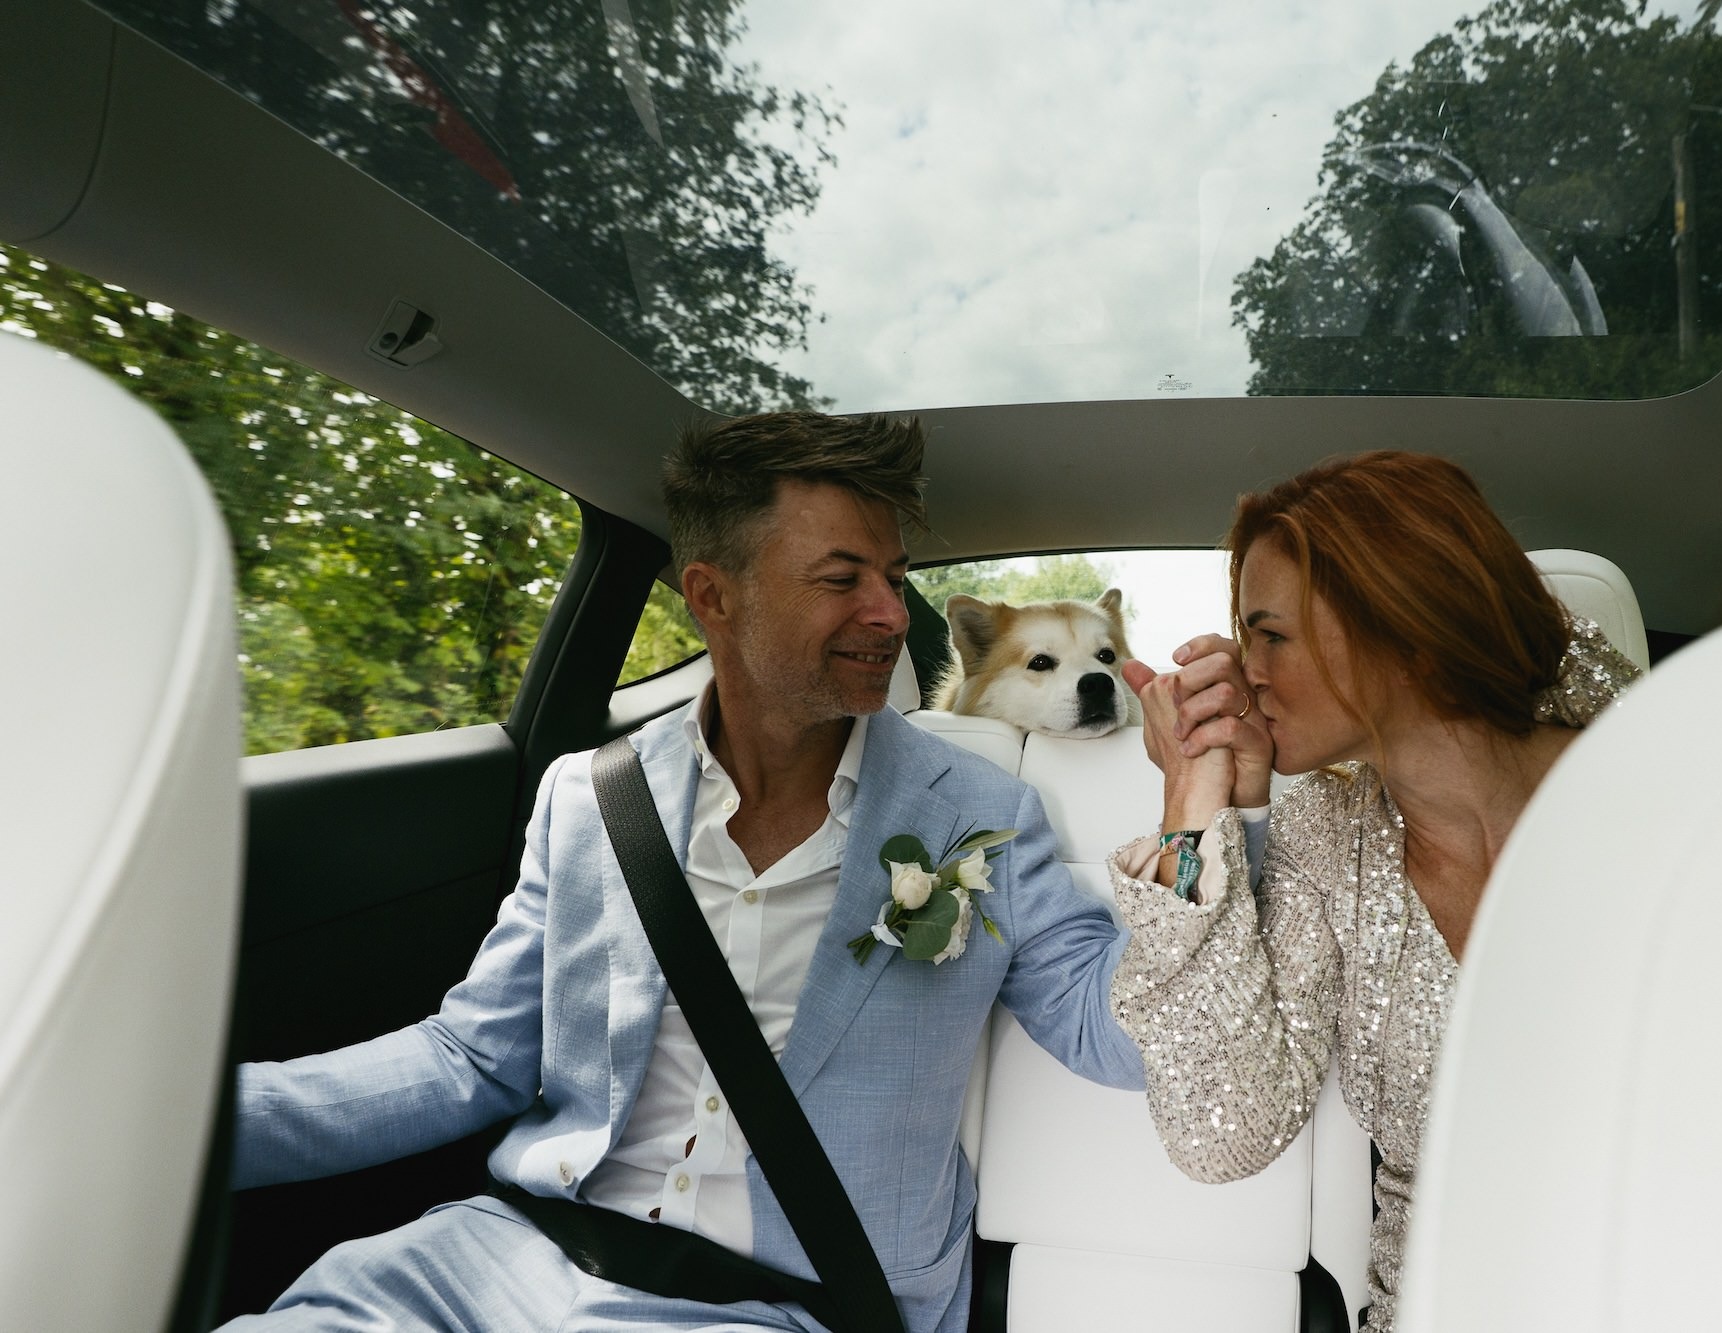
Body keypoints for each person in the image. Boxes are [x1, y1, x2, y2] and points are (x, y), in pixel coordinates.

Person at [226, 411, 1145, 1332]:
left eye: (894, 579)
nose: (893, 614)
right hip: (498, 1258)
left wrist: (1190, 813)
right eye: (843, 579)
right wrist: (186, 1123)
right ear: (713, 595)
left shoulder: (981, 817)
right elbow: (473, 1058)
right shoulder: (589, 797)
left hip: (780, 1301)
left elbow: (1121, 1035)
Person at [1106, 451, 1639, 1331]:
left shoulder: (1652, 765)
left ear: (1403, 622)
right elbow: (1222, 1131)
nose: (1248, 672)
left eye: (1270, 635)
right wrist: (1194, 800)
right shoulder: (1328, 833)